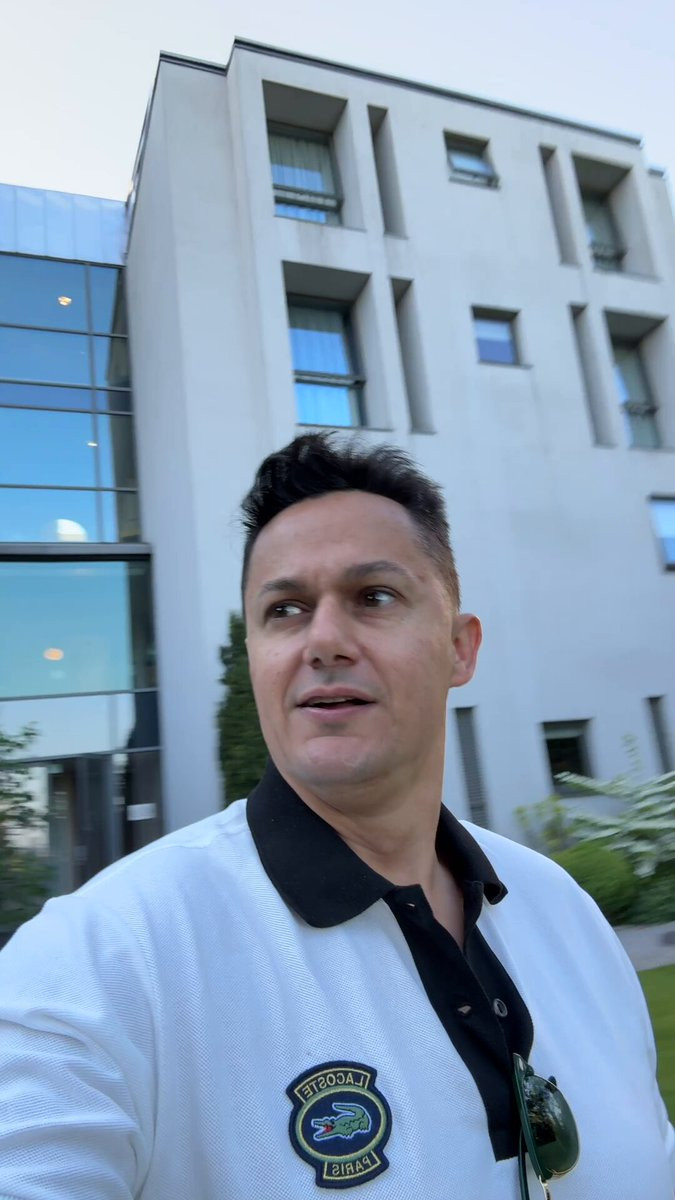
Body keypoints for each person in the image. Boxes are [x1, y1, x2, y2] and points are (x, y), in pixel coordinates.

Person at [0, 433, 672, 1200]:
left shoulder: (564, 912)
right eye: (284, 610)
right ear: (254, 655)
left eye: (373, 597)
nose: (322, 641)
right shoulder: (102, 961)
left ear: (459, 649)